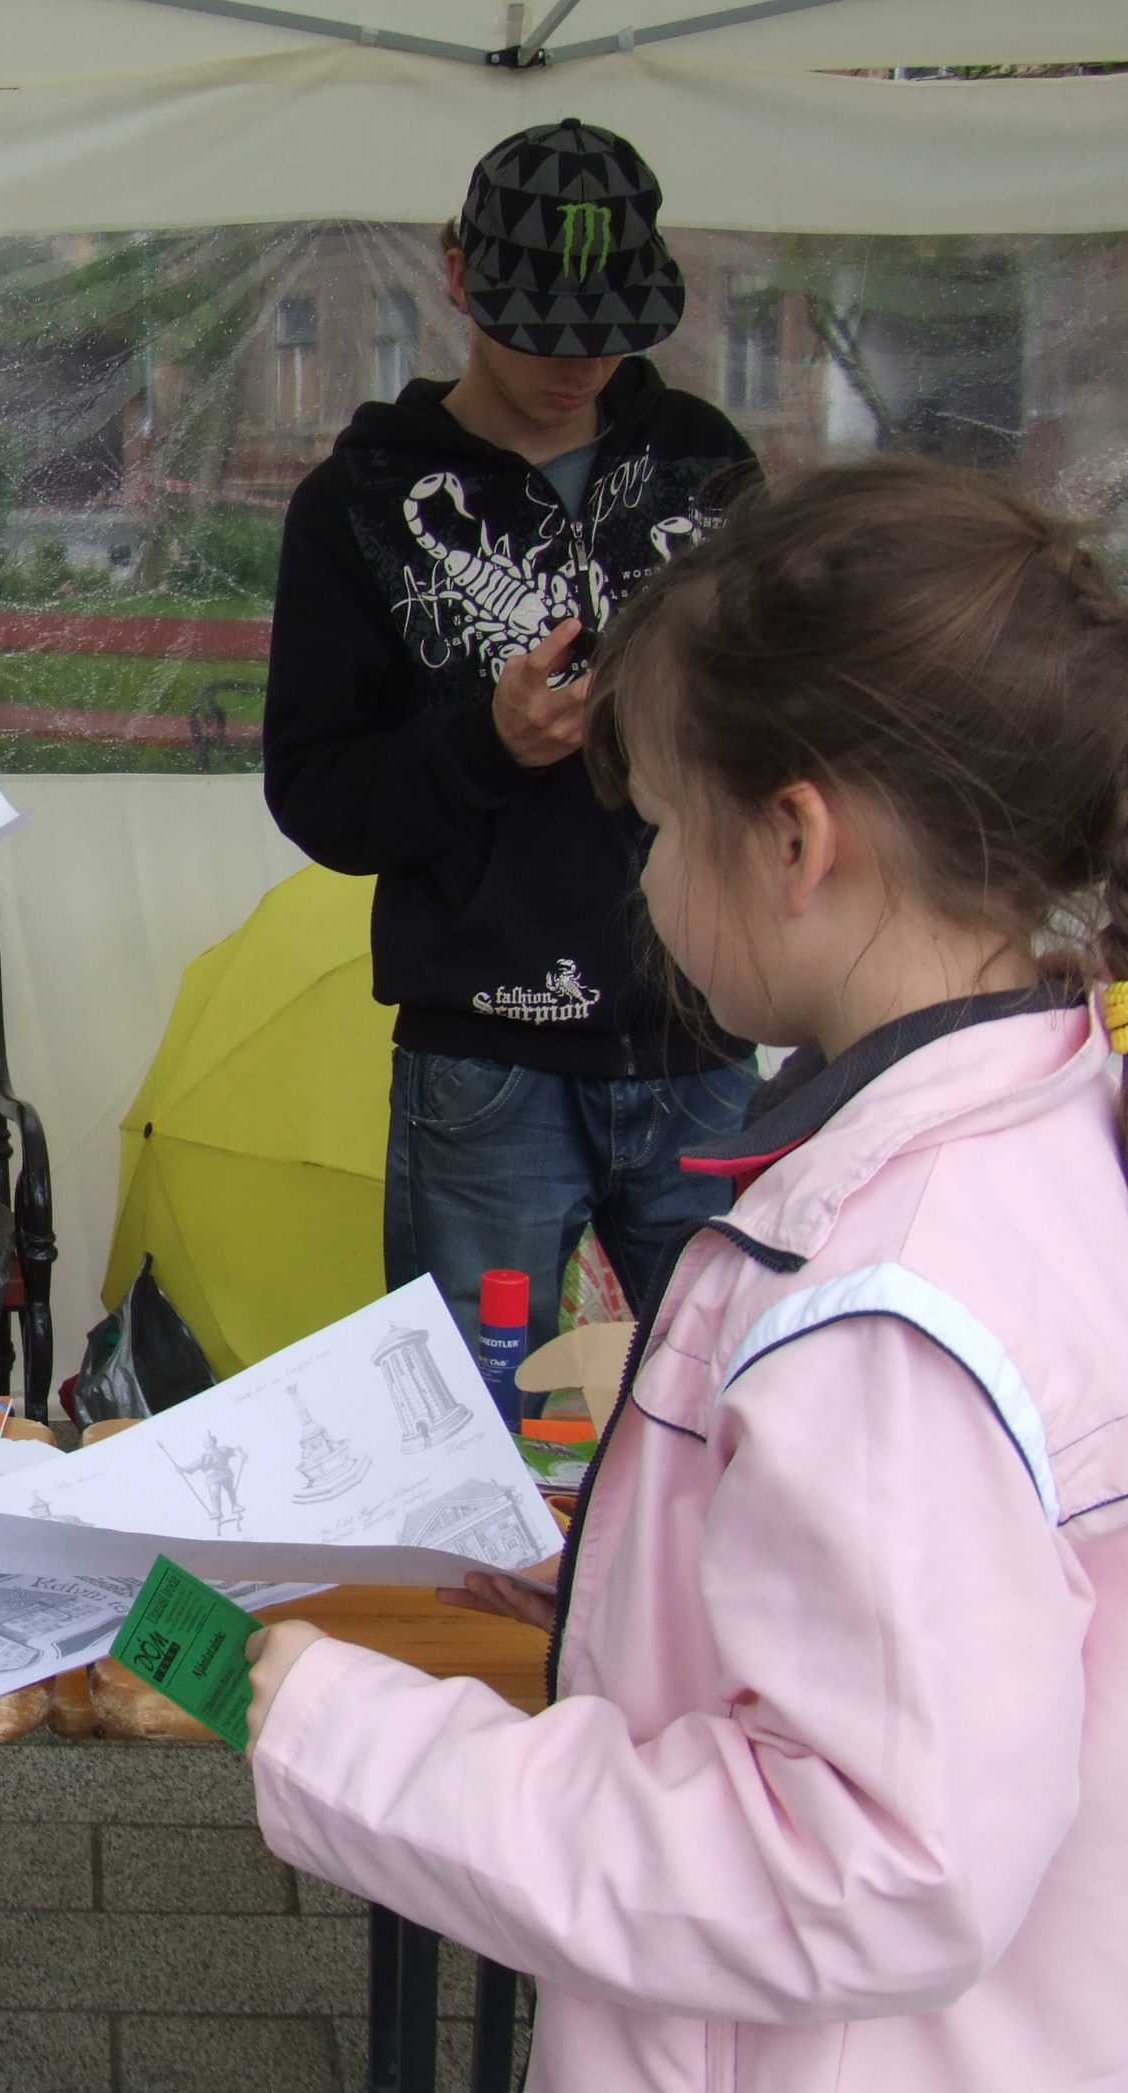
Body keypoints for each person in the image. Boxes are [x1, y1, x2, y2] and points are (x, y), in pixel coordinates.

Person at [244, 460, 1128, 2092]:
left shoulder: (886, 1304)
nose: (642, 880)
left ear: (793, 840)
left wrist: (361, 1742)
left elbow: (864, 1864)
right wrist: (640, 1571)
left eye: (652, 825)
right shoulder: (1045, 1130)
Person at [261, 119, 762, 1401]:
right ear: (458, 275)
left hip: (705, 1028)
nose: (580, 361)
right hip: (487, 1057)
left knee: (742, 1414)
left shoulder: (707, 464)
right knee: (471, 1428)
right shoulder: (360, 505)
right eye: (543, 328)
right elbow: (317, 795)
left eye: (613, 328)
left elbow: (787, 716)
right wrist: (486, 745)